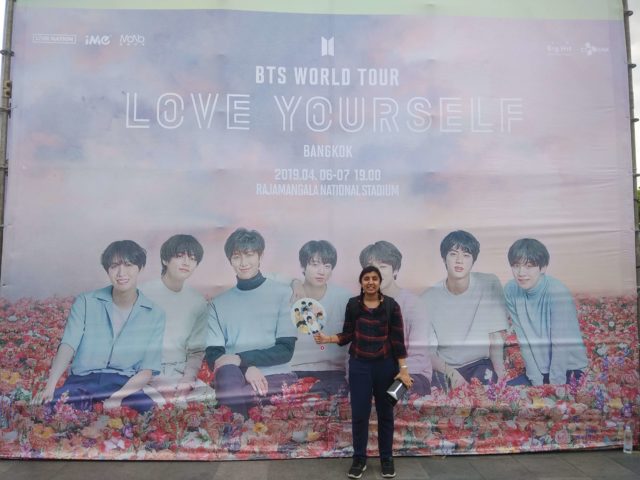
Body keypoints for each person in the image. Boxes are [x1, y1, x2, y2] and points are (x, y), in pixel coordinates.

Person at [33, 240, 165, 413]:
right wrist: (50, 386)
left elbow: (147, 370)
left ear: (140, 268)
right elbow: (68, 345)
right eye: (114, 266)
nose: (121, 273)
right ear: (107, 270)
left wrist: (117, 398)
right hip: (82, 382)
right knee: (50, 409)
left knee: (149, 413)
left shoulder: (155, 314)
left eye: (128, 265)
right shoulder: (85, 302)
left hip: (124, 385)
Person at [314, 266, 412, 479]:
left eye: (374, 278)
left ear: (379, 282)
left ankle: (386, 458)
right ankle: (359, 459)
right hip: (359, 366)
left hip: (386, 367)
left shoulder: (391, 306)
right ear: (361, 282)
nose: (370, 282)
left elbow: (397, 340)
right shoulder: (353, 305)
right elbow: (348, 334)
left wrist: (403, 370)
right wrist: (327, 338)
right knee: (360, 414)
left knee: (385, 414)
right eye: (366, 278)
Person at [205, 228, 297, 418]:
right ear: (230, 260)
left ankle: (235, 427)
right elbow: (214, 356)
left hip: (275, 374)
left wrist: (241, 359)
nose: (243, 262)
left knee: (243, 396)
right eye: (236, 256)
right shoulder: (218, 304)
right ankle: (236, 428)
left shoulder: (283, 294)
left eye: (249, 255)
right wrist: (246, 367)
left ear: (260, 256)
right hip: (233, 375)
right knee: (227, 376)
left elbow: (285, 350)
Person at [422, 230, 507, 390]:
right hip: (445, 368)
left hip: (480, 364)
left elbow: (495, 336)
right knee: (421, 389)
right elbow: (429, 353)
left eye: (466, 255)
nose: (459, 261)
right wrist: (451, 373)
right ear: (444, 258)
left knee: (485, 389)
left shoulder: (489, 283)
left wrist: (500, 373)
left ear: (473, 260)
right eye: (453, 254)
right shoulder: (427, 298)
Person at [504, 238, 588, 385]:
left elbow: (561, 344)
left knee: (558, 397)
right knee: (506, 391)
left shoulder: (557, 291)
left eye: (529, 266)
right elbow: (523, 339)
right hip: (539, 370)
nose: (521, 273)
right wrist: (535, 379)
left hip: (568, 368)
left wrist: (555, 385)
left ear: (543, 267)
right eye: (516, 266)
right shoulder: (511, 290)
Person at [140, 234, 209, 403]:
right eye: (179, 256)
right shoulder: (142, 294)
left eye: (192, 258)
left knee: (210, 399)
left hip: (179, 373)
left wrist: (188, 379)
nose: (186, 262)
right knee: (160, 405)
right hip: (144, 373)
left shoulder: (198, 301)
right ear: (165, 260)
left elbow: (196, 350)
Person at [359, 241, 432, 395]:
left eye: (383, 267)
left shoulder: (414, 304)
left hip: (411, 373)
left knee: (389, 396)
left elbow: (419, 358)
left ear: (395, 270)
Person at [288, 240, 351, 396]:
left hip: (333, 371)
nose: (321, 271)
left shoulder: (344, 297)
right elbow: (266, 278)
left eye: (327, 266)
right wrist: (294, 282)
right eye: (315, 265)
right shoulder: (289, 296)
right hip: (295, 370)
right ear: (303, 267)